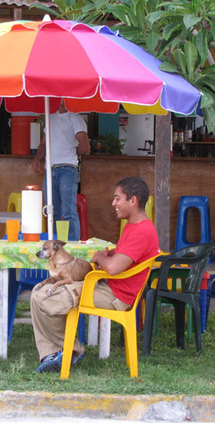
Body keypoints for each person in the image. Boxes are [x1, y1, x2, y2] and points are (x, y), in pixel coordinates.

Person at [30, 176, 160, 373]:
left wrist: (100, 256)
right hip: (107, 286)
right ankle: (53, 353)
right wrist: (109, 256)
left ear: (133, 200)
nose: (113, 203)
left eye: (118, 198)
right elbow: (123, 259)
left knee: (43, 298)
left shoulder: (141, 231)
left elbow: (114, 268)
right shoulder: (133, 226)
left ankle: (71, 351)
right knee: (37, 293)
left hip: (116, 295)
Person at [32, 102, 90, 241]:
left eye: (65, 99)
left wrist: (71, 153)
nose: (62, 102)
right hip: (50, 169)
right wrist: (37, 158)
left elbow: (85, 146)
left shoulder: (76, 118)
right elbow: (43, 144)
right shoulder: (50, 117)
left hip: (68, 168)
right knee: (51, 211)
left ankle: (72, 247)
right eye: (60, 98)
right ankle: (55, 245)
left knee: (68, 211)